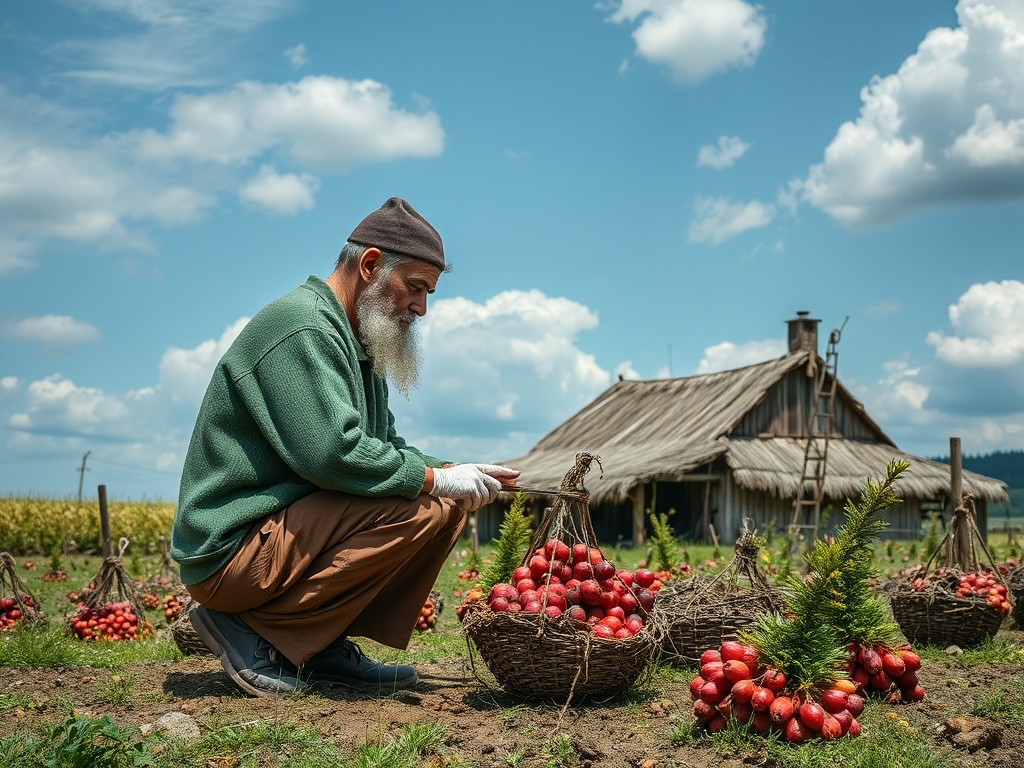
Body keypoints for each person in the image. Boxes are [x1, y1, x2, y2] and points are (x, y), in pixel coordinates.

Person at [171, 197, 520, 698]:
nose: (421, 308)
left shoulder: (357, 340)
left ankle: (318, 643)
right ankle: (252, 630)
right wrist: (437, 479)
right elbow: (332, 454)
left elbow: (384, 446)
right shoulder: (304, 327)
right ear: (371, 265)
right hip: (230, 554)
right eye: (415, 287)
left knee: (445, 506)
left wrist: (453, 470)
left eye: (428, 293)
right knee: (422, 507)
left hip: (278, 537)